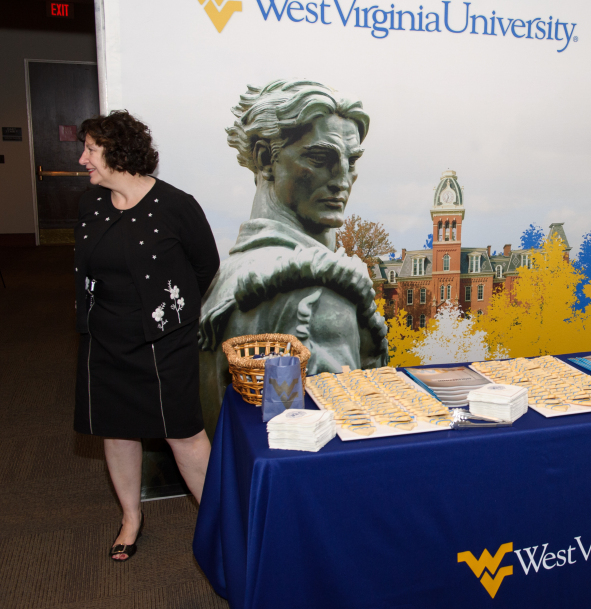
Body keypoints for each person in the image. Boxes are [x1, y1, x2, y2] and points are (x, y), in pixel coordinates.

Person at [199, 79, 388, 436]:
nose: (343, 179)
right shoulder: (314, 292)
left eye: (351, 161)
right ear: (264, 157)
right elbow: (336, 431)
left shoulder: (239, 269)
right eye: (321, 158)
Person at [74, 110, 220, 561]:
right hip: (105, 339)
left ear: (117, 153)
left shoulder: (177, 206)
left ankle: (221, 521)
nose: (83, 160)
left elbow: (206, 266)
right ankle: (131, 518)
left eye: (91, 150)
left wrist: (170, 313)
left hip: (163, 342)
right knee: (116, 432)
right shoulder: (91, 205)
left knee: (184, 435)